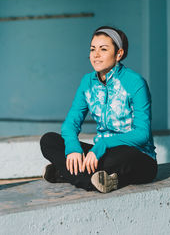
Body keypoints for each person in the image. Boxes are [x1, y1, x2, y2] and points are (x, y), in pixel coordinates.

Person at [40, 26, 157, 193]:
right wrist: (73, 148)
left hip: (135, 156)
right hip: (100, 155)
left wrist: (103, 144)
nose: (95, 55)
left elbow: (142, 134)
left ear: (119, 54)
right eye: (92, 49)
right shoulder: (87, 82)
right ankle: (96, 179)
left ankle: (66, 174)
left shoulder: (135, 82)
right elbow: (70, 123)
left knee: (118, 159)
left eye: (103, 49)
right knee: (48, 141)